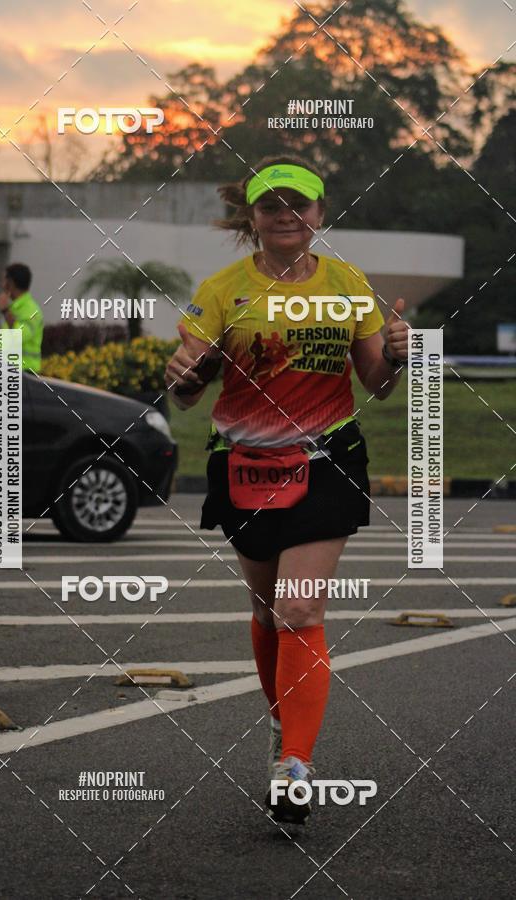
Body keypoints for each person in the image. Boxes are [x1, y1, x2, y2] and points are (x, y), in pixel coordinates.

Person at [165, 155, 409, 826]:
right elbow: (185, 393)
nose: (286, 215)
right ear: (254, 217)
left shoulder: (347, 284)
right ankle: (283, 726)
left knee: (299, 609)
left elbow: (378, 385)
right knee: (270, 609)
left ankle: (295, 761)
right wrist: (185, 373)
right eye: (271, 205)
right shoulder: (220, 290)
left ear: (319, 214)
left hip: (328, 458)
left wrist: (396, 352)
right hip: (243, 463)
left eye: (298, 204)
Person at [0, 263, 44, 373]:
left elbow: (20, 335)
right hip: (9, 372)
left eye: (4, 280)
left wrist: (5, 310)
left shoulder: (31, 310)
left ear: (11, 283)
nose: (2, 285)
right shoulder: (16, 308)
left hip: (24, 374)